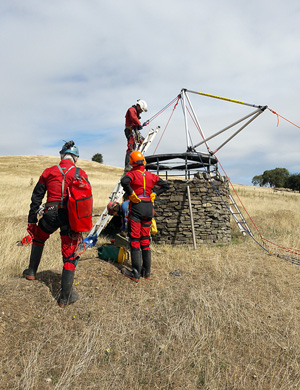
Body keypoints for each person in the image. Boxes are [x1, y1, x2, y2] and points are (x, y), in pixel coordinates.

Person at [22, 140, 91, 308]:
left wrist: (32, 220)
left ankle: (31, 271)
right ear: (75, 158)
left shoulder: (48, 171)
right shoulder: (80, 172)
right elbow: (85, 200)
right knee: (69, 254)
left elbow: (36, 197)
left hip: (50, 213)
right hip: (70, 216)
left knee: (39, 237)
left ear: (61, 155)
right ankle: (65, 298)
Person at [120, 151, 169, 282]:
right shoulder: (151, 175)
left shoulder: (132, 174)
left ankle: (135, 273)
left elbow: (124, 181)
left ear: (132, 163)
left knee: (135, 240)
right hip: (149, 208)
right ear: (144, 162)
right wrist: (155, 194)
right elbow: (166, 185)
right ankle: (146, 272)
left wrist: (130, 193)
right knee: (145, 240)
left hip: (137, 207)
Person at [124, 99, 148, 170]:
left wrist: (140, 125)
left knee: (143, 142)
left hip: (134, 130)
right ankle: (128, 166)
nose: (141, 112)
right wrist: (139, 124)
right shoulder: (131, 110)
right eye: (141, 110)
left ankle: (137, 159)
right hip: (130, 131)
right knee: (131, 148)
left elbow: (135, 120)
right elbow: (133, 117)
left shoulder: (136, 112)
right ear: (138, 106)